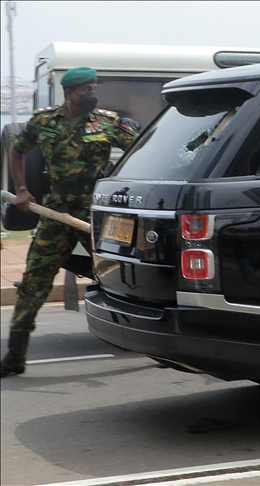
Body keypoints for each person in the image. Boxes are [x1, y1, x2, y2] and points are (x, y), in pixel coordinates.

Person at [1, 67, 139, 378]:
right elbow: (17, 150)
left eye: (93, 88)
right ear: (69, 93)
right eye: (85, 90)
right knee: (34, 279)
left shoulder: (106, 122)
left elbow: (143, 149)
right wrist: (21, 188)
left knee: (123, 275)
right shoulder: (45, 121)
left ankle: (154, 340)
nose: (91, 94)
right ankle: (14, 357)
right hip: (57, 209)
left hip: (96, 210)